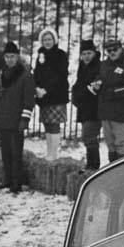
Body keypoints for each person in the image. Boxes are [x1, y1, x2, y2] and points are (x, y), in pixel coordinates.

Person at [0, 41, 35, 193]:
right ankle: (7, 179)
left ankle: (17, 182)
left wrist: (24, 120)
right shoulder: (0, 75)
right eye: (7, 56)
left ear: (18, 57)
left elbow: (29, 101)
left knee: (16, 153)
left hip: (16, 120)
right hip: (2, 118)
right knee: (5, 152)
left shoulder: (25, 75)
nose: (9, 59)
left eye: (12, 56)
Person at [93, 39, 124, 163]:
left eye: (115, 49)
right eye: (109, 50)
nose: (112, 52)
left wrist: (114, 92)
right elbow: (99, 77)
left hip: (121, 112)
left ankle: (122, 170)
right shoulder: (104, 64)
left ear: (121, 49)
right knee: (110, 143)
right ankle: (112, 169)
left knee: (121, 142)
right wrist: (97, 83)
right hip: (105, 111)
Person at [33, 27, 69, 161]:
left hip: (56, 95)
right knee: (47, 124)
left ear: (54, 40)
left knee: (54, 125)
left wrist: (46, 89)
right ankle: (49, 153)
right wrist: (37, 88)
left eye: (49, 39)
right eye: (44, 40)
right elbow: (37, 73)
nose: (47, 42)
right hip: (43, 96)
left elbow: (60, 76)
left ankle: (53, 154)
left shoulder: (61, 55)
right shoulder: (40, 55)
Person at [71, 39, 101, 171]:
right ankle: (91, 165)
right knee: (88, 138)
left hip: (94, 108)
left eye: (89, 53)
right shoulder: (83, 67)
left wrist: (81, 93)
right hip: (84, 108)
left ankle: (93, 166)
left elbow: (94, 87)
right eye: (83, 54)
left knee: (89, 136)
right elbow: (80, 84)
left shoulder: (99, 67)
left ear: (94, 53)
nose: (86, 56)